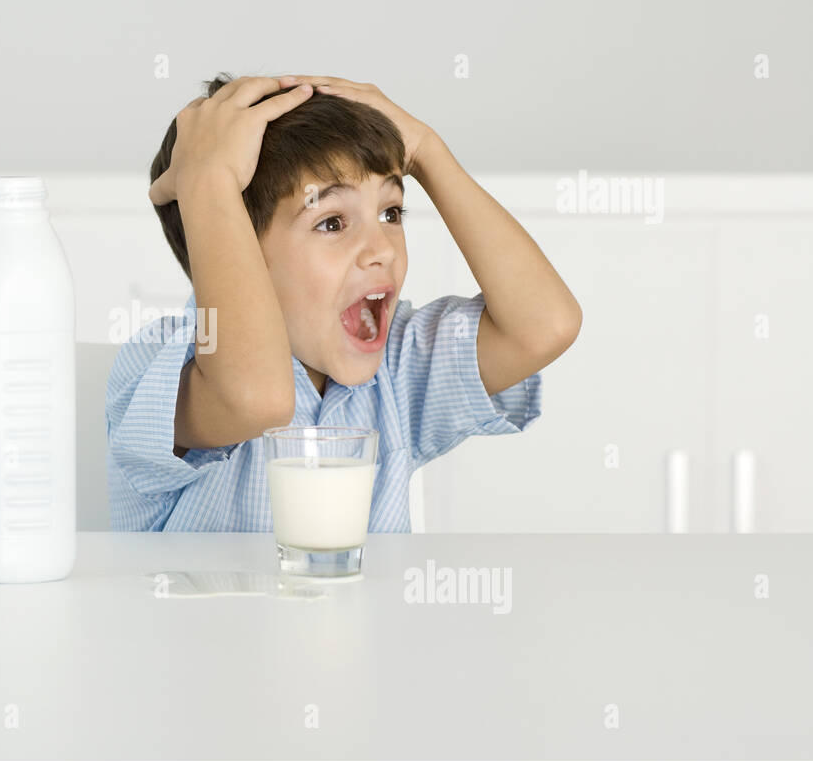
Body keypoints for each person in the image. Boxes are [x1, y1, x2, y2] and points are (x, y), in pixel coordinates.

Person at [107, 73, 581, 532]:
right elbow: (257, 401)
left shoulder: (394, 370)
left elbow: (545, 325)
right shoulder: (158, 363)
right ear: (229, 247)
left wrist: (425, 151)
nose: (382, 249)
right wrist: (208, 181)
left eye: (391, 212)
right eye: (332, 222)